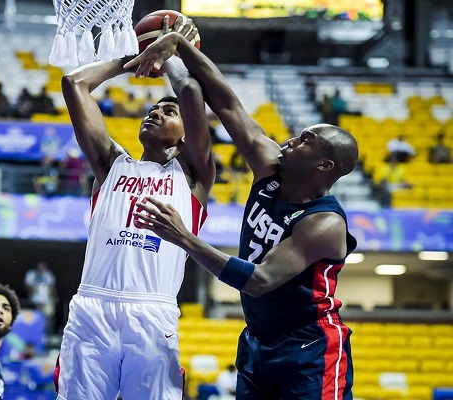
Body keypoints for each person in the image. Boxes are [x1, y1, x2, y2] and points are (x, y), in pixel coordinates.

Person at [126, 17, 358, 400]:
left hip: (310, 347)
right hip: (257, 342)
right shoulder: (270, 164)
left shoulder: (325, 223)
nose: (290, 138)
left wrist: (184, 237)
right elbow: (227, 103)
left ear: (324, 166)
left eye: (306, 140)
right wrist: (178, 47)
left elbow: (260, 280)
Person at [55, 22, 215, 399]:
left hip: (152, 313)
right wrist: (133, 58)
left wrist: (169, 54)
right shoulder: (112, 165)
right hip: (92, 308)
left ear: (185, 136)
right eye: (153, 109)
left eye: (168, 112)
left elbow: (191, 91)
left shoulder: (192, 176)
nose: (156, 113)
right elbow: (74, 84)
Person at [24, 261, 58, 333]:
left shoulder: (48, 274)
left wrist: (54, 296)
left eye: (43, 266)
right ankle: (34, 330)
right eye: (40, 266)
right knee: (36, 316)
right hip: (36, 299)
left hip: (46, 299)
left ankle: (47, 331)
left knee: (49, 315)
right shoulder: (32, 274)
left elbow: (52, 287)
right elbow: (27, 286)